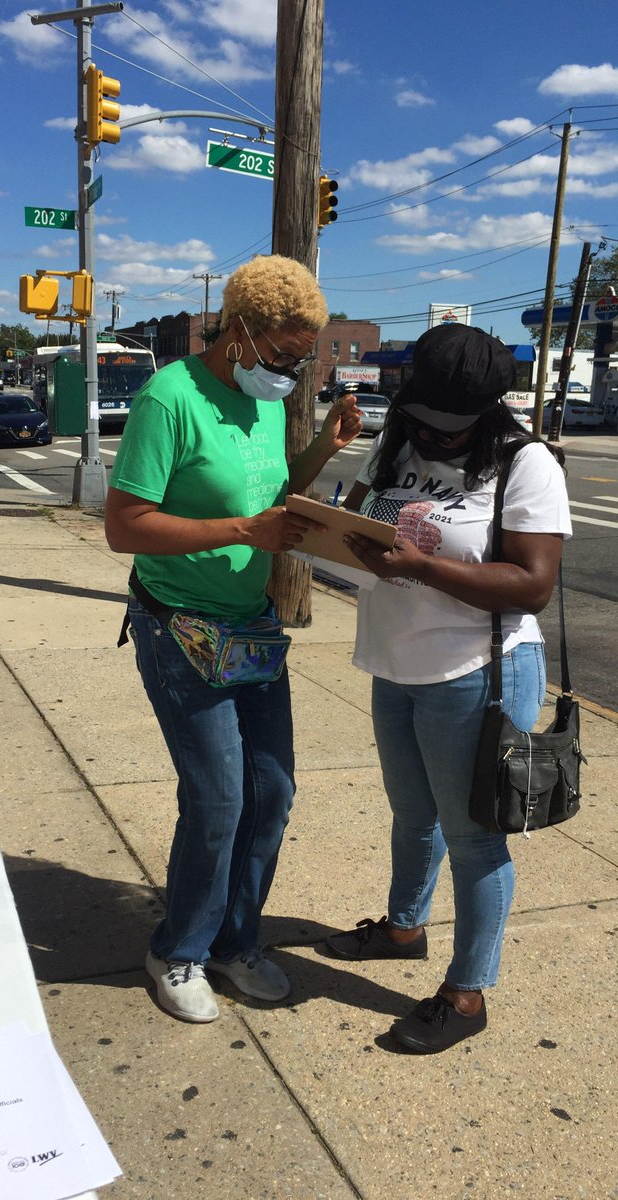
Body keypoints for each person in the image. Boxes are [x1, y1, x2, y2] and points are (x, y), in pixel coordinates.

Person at [104, 254, 361, 1024]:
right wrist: (245, 531)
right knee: (218, 798)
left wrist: (324, 450)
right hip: (179, 624)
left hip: (250, 624)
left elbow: (271, 497)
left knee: (272, 791)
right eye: (282, 354)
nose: (289, 372)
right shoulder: (169, 398)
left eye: (301, 360)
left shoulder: (265, 403)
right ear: (239, 331)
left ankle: (234, 942)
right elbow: (125, 526)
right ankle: (178, 950)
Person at [324, 324, 572, 1054]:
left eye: (450, 425)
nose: (433, 434)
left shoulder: (525, 463)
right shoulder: (393, 443)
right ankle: (404, 930)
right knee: (411, 816)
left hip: (477, 672)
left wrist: (420, 567)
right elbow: (355, 522)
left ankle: (467, 995)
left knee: (473, 839)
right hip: (396, 662)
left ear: (488, 410)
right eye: (424, 417)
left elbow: (532, 584)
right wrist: (331, 535)